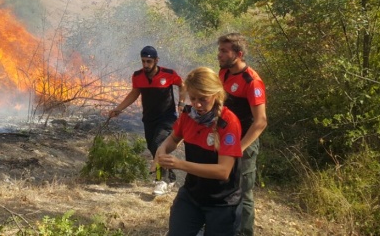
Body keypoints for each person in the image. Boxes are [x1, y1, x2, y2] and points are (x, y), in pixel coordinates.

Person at [155, 67, 243, 236]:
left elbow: (223, 172)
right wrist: (162, 148)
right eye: (193, 98)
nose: (197, 105)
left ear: (215, 95)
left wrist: (180, 164)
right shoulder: (188, 115)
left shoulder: (228, 122)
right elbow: (173, 138)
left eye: (203, 99)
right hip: (192, 195)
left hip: (222, 202)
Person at [109, 45, 186, 196]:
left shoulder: (169, 74)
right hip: (149, 119)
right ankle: (170, 178)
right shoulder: (138, 76)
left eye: (149, 62)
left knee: (159, 146)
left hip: (167, 118)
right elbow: (134, 93)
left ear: (156, 61)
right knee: (153, 148)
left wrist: (181, 104)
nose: (145, 65)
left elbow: (182, 85)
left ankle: (160, 181)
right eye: (143, 61)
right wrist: (119, 109)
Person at [217, 33, 267, 236]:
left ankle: (244, 233)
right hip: (225, 140)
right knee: (225, 187)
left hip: (244, 143)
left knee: (243, 192)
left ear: (238, 54)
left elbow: (261, 121)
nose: (219, 54)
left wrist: (240, 147)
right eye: (219, 50)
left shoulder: (252, 81)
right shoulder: (224, 73)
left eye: (224, 51)